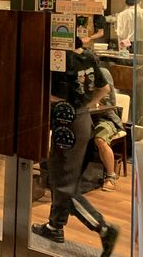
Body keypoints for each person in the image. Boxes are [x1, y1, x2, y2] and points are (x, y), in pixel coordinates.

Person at [32, 37, 119, 256]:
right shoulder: (88, 57)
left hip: (67, 124)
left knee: (63, 186)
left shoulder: (62, 59)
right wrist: (85, 106)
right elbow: (105, 88)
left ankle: (102, 227)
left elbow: (52, 94)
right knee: (65, 178)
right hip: (81, 120)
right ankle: (54, 227)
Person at [92, 67, 123, 192]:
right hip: (85, 117)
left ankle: (110, 176)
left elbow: (106, 99)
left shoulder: (102, 73)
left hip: (106, 118)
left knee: (100, 139)